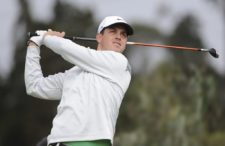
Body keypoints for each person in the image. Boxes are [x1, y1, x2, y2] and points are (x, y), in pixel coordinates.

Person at [25, 16, 134, 146]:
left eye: (123, 34)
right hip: (57, 142)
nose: (119, 37)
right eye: (113, 31)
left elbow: (70, 50)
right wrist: (34, 45)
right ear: (99, 37)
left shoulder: (120, 63)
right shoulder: (73, 74)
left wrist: (47, 37)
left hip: (92, 142)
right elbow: (35, 86)